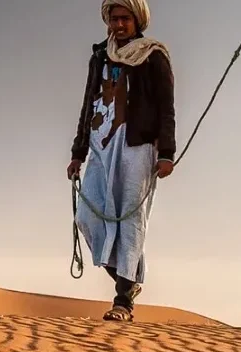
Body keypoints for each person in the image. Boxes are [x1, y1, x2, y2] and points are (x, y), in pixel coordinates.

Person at [67, 0, 176, 322]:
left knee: (130, 221)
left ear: (136, 20)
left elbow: (166, 106)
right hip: (101, 144)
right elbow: (88, 103)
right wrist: (77, 153)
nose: (118, 24)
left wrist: (167, 152)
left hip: (137, 144)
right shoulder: (99, 56)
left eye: (124, 18)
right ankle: (127, 281)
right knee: (87, 217)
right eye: (113, 18)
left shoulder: (152, 55)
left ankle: (123, 301)